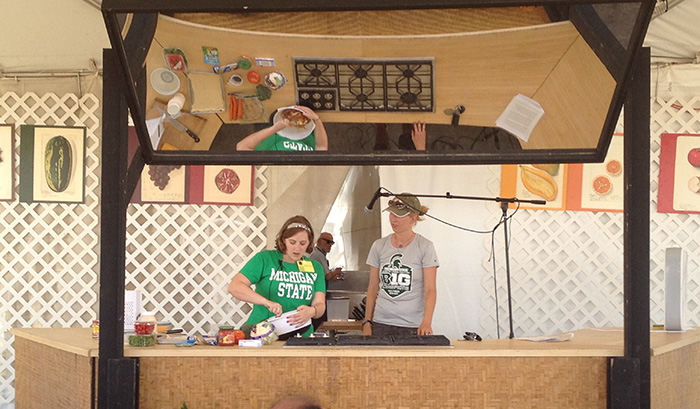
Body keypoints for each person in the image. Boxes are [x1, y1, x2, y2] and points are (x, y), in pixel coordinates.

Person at [228, 215, 326, 338]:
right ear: (283, 240)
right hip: (262, 334)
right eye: (292, 242)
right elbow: (235, 287)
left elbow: (320, 304)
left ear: (309, 243)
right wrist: (266, 302)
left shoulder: (315, 267)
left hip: (300, 336)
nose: (297, 248)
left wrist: (312, 311)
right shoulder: (264, 259)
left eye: (302, 243)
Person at [362, 193, 439, 337]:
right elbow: (372, 287)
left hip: (412, 324)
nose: (393, 219)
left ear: (413, 218)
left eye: (399, 215)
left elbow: (430, 289)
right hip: (381, 322)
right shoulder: (378, 246)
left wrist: (426, 322)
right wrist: (367, 322)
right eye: (391, 214)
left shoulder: (425, 246)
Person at [236, 105, 328, 151]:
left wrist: (273, 129)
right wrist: (317, 119)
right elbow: (322, 147)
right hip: (304, 131)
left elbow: (242, 147)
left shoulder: (271, 160)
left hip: (280, 129)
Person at [308, 232, 343, 330]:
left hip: (318, 294)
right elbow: (327, 276)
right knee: (319, 323)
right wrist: (336, 272)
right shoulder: (317, 255)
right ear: (319, 241)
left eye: (332, 243)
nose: (330, 245)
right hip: (316, 295)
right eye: (328, 242)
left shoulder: (320, 255)